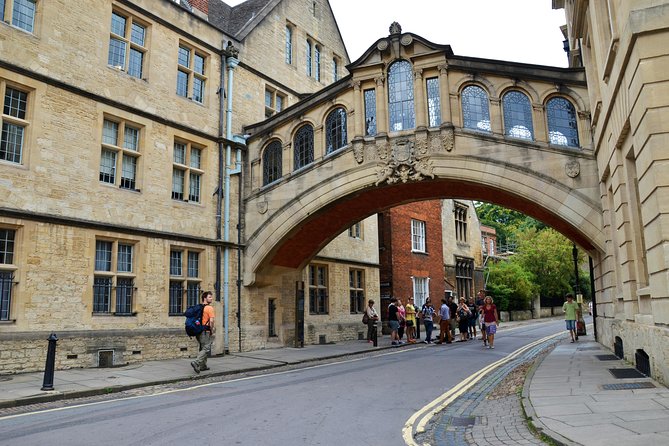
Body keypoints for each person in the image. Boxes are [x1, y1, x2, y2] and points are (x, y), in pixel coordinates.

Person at [191, 291, 215, 374]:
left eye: (211, 297)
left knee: (202, 347)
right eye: (209, 297)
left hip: (198, 331)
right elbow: (211, 321)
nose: (211, 298)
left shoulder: (200, 307)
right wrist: (211, 330)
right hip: (205, 331)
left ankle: (203, 366)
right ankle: (196, 362)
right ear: (205, 298)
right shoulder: (209, 308)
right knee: (206, 348)